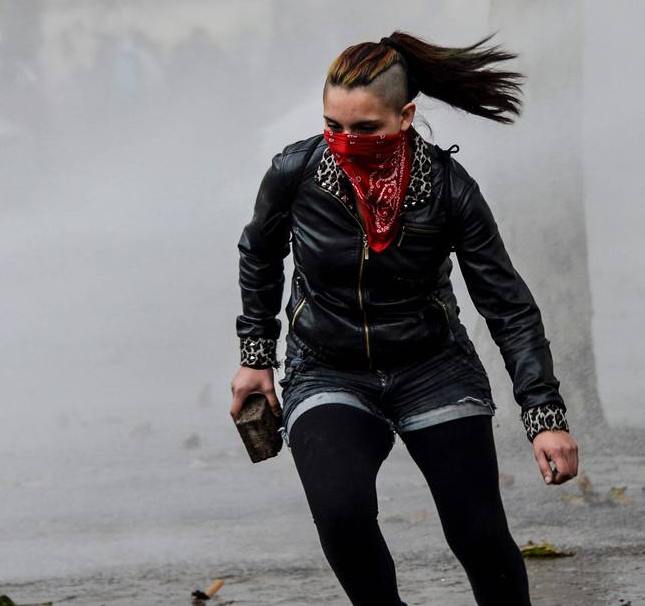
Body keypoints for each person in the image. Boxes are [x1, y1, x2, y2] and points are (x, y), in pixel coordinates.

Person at [229, 31, 580, 606]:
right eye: (333, 126)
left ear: (406, 115)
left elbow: (507, 304)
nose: (345, 141)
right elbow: (260, 254)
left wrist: (544, 415)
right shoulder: (294, 172)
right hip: (327, 369)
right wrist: (255, 356)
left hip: (433, 369)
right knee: (341, 515)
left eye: (365, 129)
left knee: (479, 536)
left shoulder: (449, 189)